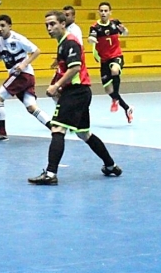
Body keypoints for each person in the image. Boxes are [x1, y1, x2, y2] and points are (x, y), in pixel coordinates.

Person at [28, 10, 122, 185]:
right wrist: (58, 85)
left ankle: (50, 174)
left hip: (77, 92)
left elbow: (75, 68)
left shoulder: (70, 43)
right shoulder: (62, 43)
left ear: (63, 24)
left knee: (57, 129)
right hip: (80, 92)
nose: (49, 28)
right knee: (84, 133)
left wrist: (57, 86)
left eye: (52, 24)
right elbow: (64, 69)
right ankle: (111, 165)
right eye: (46, 25)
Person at [0, 14, 52, 141]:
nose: (0, 28)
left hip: (22, 74)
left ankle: (2, 132)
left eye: (3, 26)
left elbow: (36, 51)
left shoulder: (18, 38)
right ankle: (54, 127)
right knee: (31, 107)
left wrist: (24, 64)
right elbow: (1, 57)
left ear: (10, 26)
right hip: (22, 76)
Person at [87, 2, 133, 123]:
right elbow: (91, 37)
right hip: (104, 60)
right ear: (98, 12)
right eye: (101, 11)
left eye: (106, 10)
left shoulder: (115, 23)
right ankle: (127, 108)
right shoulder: (95, 27)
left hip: (116, 56)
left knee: (115, 70)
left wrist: (125, 30)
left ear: (110, 12)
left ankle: (115, 99)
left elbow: (126, 33)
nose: (103, 13)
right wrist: (91, 40)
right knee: (108, 90)